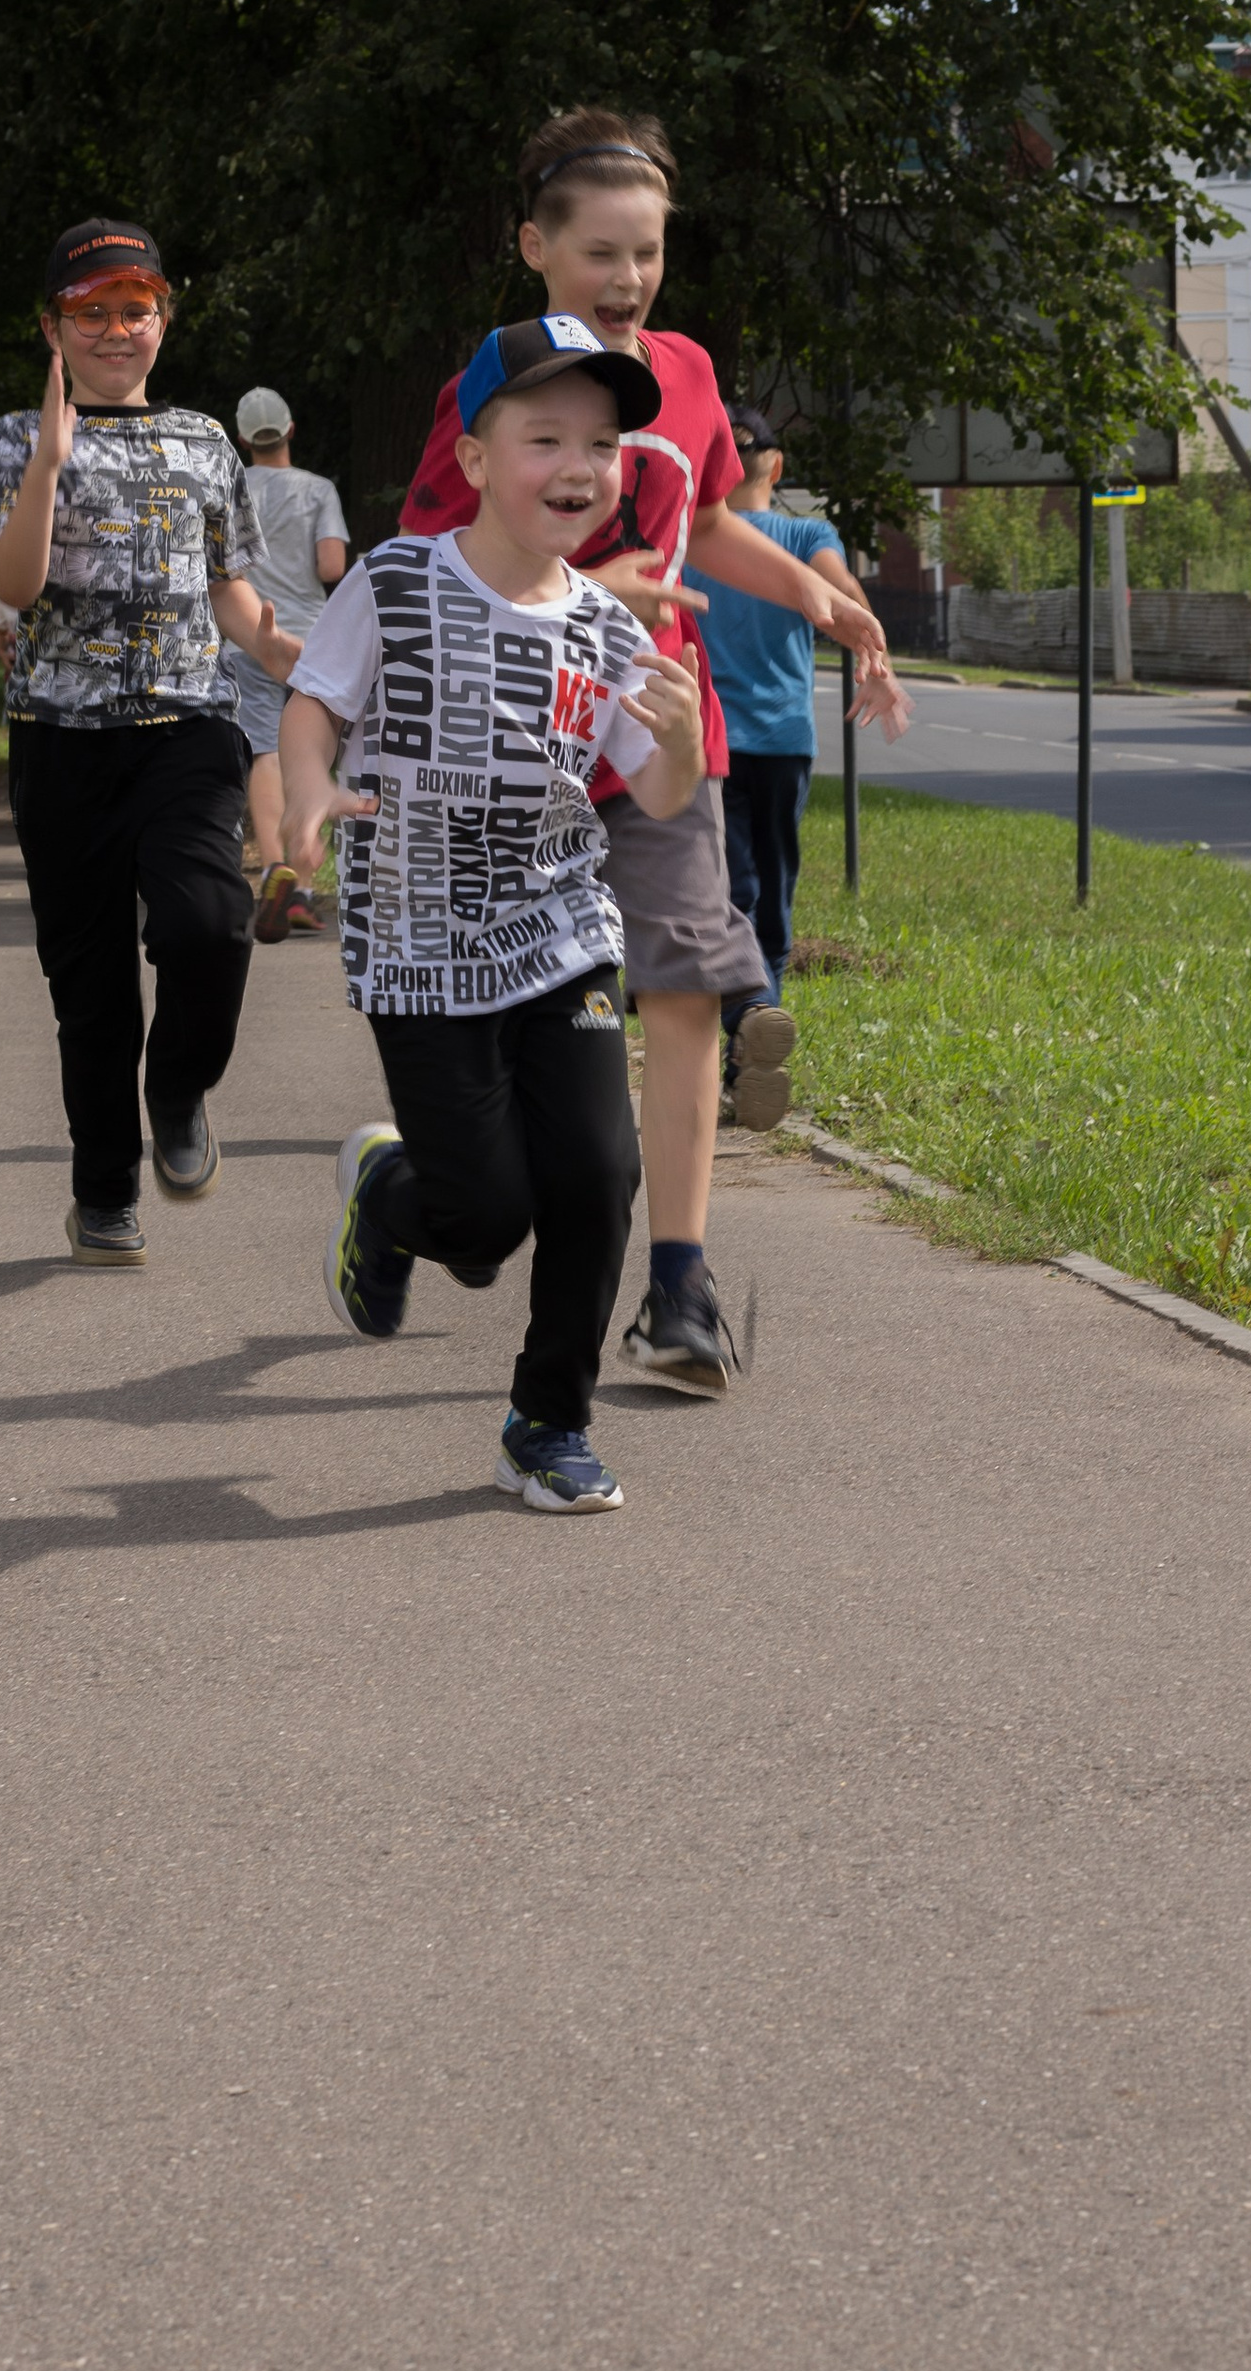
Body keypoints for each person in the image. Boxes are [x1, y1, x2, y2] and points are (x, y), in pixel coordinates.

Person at [401, 106, 902, 1397]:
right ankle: (424, 1186)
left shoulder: (680, 370)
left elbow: (720, 522)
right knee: (513, 1079)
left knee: (686, 985)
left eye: (648, 253)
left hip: (668, 734)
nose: (629, 281)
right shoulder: (497, 381)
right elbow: (428, 566)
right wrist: (578, 589)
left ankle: (680, 1283)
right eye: (601, 254)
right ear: (536, 247)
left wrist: (820, 601)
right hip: (521, 757)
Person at [281, 313, 705, 1512]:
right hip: (416, 936)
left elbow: (658, 792)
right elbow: (315, 703)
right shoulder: (397, 580)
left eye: (603, 444)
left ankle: (547, 1422)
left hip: (558, 928)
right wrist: (308, 791)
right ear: (472, 458)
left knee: (595, 1174)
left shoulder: (607, 628)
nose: (578, 468)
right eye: (544, 438)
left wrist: (674, 743)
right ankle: (393, 1194)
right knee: (481, 1223)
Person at [0, 219, 301, 1270]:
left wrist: (294, 652)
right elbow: (14, 588)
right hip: (60, 743)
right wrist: (52, 459)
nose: (117, 330)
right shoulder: (14, 440)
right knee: (91, 987)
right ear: (54, 328)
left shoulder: (206, 442)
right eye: (92, 312)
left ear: (162, 319)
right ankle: (104, 1190)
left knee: (210, 924)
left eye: (135, 309)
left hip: (187, 729)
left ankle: (180, 1086)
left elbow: (233, 593)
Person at [684, 410, 905, 1114]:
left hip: (703, 742)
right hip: (782, 741)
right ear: (775, 469)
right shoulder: (807, 536)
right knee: (771, 899)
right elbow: (843, 601)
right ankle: (755, 1022)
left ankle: (747, 1025)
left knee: (726, 892)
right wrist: (871, 655)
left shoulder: (691, 537)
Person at [218, 385, 350, 941]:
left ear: (243, 438)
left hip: (248, 637)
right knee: (312, 756)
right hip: (312, 642)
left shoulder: (229, 486)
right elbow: (331, 564)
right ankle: (303, 883)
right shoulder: (318, 489)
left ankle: (275, 868)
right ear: (291, 429)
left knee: (265, 753)